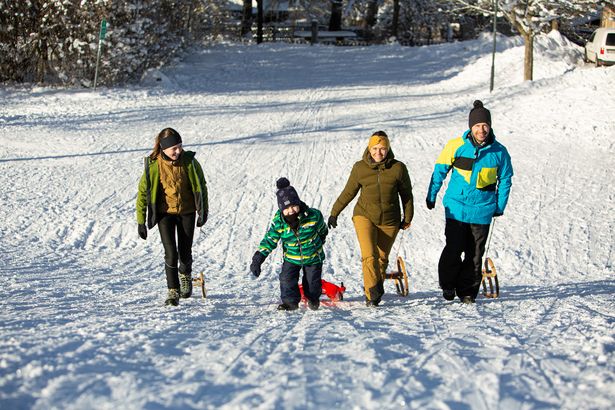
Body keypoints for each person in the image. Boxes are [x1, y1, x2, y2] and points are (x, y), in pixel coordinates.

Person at [426, 100, 513, 304]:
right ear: (470, 127)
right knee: (453, 249)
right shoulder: (456, 146)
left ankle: (467, 291)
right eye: (477, 126)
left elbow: (506, 179)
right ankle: (448, 285)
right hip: (456, 208)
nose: (481, 130)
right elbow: (440, 170)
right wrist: (432, 194)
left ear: (489, 126)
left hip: (482, 211)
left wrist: (500, 206)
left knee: (475, 255)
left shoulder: (499, 152)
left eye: (484, 125)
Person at [328, 131, 414, 307]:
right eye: (375, 148)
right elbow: (348, 192)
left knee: (382, 258)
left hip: (390, 219)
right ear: (369, 148)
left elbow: (407, 194)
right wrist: (334, 212)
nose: (378, 152)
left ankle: (375, 287)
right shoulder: (360, 168)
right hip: (364, 216)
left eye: (382, 149)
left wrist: (408, 216)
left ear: (388, 149)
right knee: (369, 256)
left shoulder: (398, 168)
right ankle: (372, 294)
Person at [136, 128, 208, 306]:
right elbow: (143, 194)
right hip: (164, 215)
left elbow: (202, 186)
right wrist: (141, 221)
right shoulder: (153, 166)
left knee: (185, 252)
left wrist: (203, 211)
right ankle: (172, 290)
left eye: (180, 146)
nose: (178, 151)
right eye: (173, 148)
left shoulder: (190, 162)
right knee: (170, 253)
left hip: (187, 212)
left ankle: (185, 276)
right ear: (163, 148)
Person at [250, 178, 328, 311]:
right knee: (286, 279)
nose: (291, 210)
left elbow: (322, 230)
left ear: (298, 203)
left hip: (313, 257)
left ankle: (313, 298)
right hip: (291, 257)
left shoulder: (313, 216)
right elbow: (269, 240)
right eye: (286, 208)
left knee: (312, 282)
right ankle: (290, 302)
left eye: (293, 206)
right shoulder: (279, 223)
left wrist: (318, 243)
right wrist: (258, 258)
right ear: (281, 209)